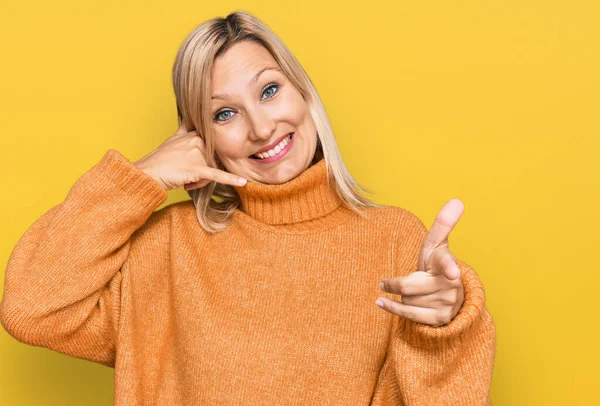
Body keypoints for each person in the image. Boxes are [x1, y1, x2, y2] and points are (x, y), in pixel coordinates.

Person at [0, 10, 496, 405]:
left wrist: (446, 328)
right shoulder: (167, 249)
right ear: (199, 137)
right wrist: (138, 178)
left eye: (270, 89)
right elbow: (30, 308)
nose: (260, 128)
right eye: (225, 113)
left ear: (303, 92)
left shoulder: (394, 240)